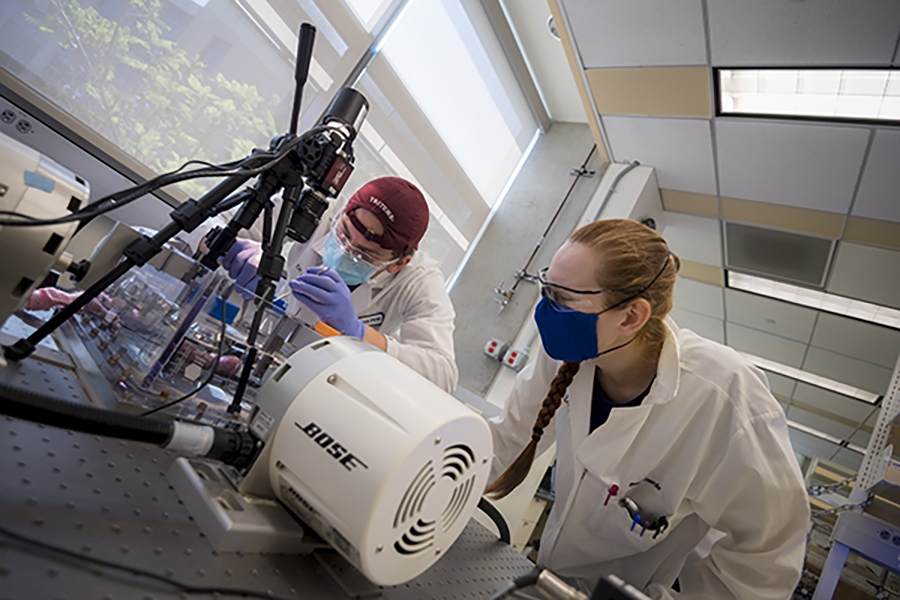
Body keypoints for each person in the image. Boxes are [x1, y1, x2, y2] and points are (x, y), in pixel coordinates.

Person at [487, 219, 808, 598]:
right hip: (548, 577)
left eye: (562, 297)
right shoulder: (568, 352)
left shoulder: (726, 398)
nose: (545, 309)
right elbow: (507, 437)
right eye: (546, 288)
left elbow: (765, 561)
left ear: (630, 317)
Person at [219, 176, 458, 393]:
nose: (344, 251)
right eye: (343, 233)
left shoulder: (419, 280)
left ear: (397, 263)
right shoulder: (317, 211)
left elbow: (443, 376)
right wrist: (233, 249)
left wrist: (358, 333)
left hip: (325, 384)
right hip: (254, 347)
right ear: (342, 213)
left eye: (364, 254)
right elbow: (207, 223)